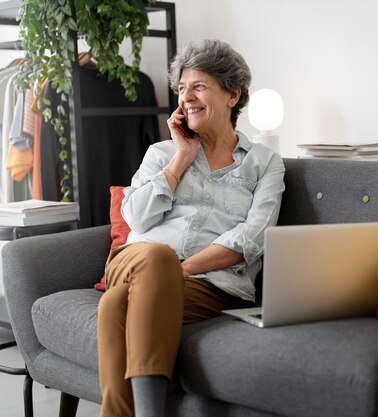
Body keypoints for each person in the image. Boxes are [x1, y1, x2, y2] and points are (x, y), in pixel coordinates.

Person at [96, 39, 286, 417]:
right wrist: (181, 158)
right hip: (135, 262)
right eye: (181, 89)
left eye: (198, 87)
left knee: (115, 305)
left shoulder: (264, 164)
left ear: (233, 95)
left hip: (214, 288)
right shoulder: (162, 154)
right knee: (155, 257)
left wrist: (177, 270)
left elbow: (252, 237)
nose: (186, 98)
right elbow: (135, 217)